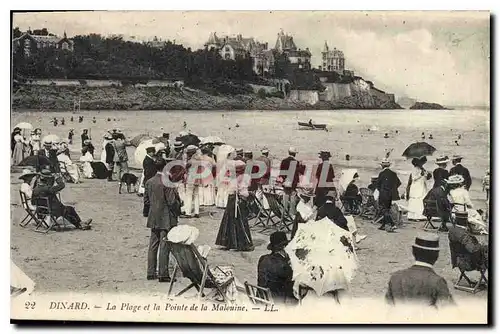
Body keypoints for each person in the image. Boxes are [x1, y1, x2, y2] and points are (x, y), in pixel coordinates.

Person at [385, 233, 454, 307]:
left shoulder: (396, 277)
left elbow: (387, 307)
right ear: (436, 255)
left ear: (413, 251)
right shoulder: (437, 282)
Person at [143, 158, 182, 282]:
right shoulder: (167, 182)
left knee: (153, 245)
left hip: (153, 216)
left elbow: (146, 201)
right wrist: (179, 207)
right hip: (166, 218)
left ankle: (151, 272)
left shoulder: (149, 181)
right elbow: (171, 202)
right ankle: (163, 273)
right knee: (164, 246)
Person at [215, 160, 254, 251]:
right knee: (237, 221)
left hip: (236, 199)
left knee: (233, 221)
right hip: (236, 199)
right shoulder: (243, 177)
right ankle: (236, 243)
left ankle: (233, 243)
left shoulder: (235, 177)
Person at [257, 232, 297, 304]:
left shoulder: (263, 258)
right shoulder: (283, 265)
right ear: (284, 248)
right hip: (278, 301)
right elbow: (292, 280)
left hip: (262, 297)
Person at [376, 158, 401, 232]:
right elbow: (399, 183)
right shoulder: (393, 173)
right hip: (392, 194)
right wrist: (392, 189)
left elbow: (377, 185)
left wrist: (381, 190)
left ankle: (392, 224)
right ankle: (384, 225)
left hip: (384, 194)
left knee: (384, 209)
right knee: (387, 209)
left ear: (382, 166)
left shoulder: (381, 173)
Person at [279, 147, 304, 218]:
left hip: (285, 182)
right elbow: (299, 173)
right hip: (292, 182)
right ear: (294, 154)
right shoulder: (296, 162)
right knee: (293, 197)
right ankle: (292, 212)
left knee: (285, 197)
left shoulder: (284, 161)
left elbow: (281, 173)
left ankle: (284, 211)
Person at [183, 145, 201, 218]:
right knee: (196, 195)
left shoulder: (190, 161)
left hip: (190, 179)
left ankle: (188, 212)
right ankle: (197, 212)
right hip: (197, 179)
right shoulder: (199, 160)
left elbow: (185, 168)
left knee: (189, 195)